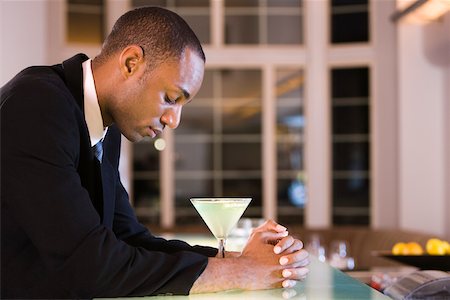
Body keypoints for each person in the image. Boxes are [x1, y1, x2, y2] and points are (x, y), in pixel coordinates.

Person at [0, 6, 309, 298]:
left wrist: (234, 258)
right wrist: (240, 273)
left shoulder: (103, 126)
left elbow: (130, 239)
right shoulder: (37, 104)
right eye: (171, 98)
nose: (173, 121)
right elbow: (89, 265)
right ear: (131, 63)